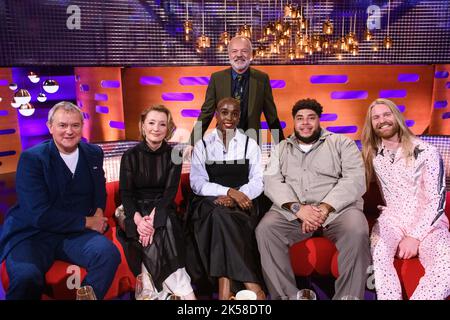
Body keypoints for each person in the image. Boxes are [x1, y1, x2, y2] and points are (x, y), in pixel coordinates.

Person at [0, 101, 120, 300]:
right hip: (35, 233)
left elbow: (99, 189)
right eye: (62, 125)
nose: (69, 131)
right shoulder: (33, 159)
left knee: (108, 254)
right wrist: (88, 222)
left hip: (74, 235)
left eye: (75, 125)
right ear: (50, 127)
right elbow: (38, 213)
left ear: (82, 126)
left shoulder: (93, 153)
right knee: (26, 277)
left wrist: (98, 212)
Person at [256, 98, 371, 300]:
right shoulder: (281, 148)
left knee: (357, 228)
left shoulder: (342, 143)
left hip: (337, 211)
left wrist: (325, 208)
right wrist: (297, 208)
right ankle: (288, 297)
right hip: (294, 212)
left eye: (311, 118)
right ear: (294, 121)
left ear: (319, 120)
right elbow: (271, 180)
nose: (305, 123)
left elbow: (355, 179)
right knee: (266, 229)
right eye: (300, 118)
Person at [361, 98, 450, 300]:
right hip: (392, 220)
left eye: (386, 114)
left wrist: (416, 236)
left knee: (447, 266)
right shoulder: (373, 156)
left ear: (396, 117)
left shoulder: (427, 151)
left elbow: (437, 199)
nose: (382, 120)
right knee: (377, 255)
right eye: (376, 117)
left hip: (429, 223)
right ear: (371, 124)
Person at [187, 97, 266, 300]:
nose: (229, 117)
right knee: (219, 213)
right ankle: (251, 284)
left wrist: (240, 196)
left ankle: (225, 287)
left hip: (244, 202)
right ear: (216, 114)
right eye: (224, 112)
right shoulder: (203, 145)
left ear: (239, 116)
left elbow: (258, 181)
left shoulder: (250, 144)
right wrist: (230, 192)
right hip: (208, 201)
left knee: (222, 216)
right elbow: (197, 183)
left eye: (234, 113)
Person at [116, 105, 196, 300]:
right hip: (132, 208)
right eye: (151, 123)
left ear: (168, 128)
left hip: (161, 206)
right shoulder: (130, 156)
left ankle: (151, 293)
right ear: (143, 126)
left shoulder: (174, 155)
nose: (156, 128)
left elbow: (168, 194)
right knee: (155, 230)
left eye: (162, 124)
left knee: (165, 224)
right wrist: (138, 221)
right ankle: (184, 292)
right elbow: (126, 194)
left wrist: (150, 221)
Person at [190, 35, 285, 145]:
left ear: (251, 54)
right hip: (222, 142)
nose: (239, 55)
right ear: (229, 54)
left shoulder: (262, 79)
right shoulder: (217, 78)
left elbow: (271, 116)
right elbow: (206, 113)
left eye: (244, 51)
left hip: (252, 144)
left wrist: (282, 146)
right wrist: (192, 142)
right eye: (234, 51)